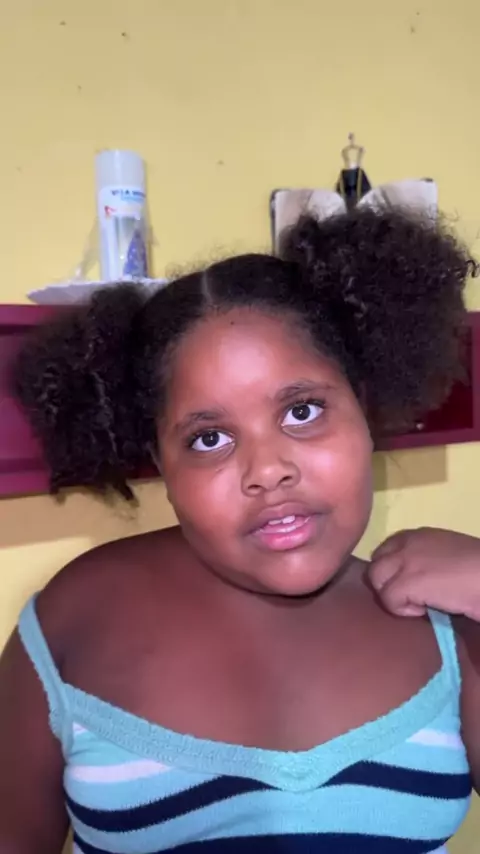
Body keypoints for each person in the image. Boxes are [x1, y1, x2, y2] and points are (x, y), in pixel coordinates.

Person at [1, 208, 479, 854]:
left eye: (302, 410)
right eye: (210, 439)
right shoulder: (73, 621)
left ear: (364, 410)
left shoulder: (446, 624)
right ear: (161, 461)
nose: (268, 470)